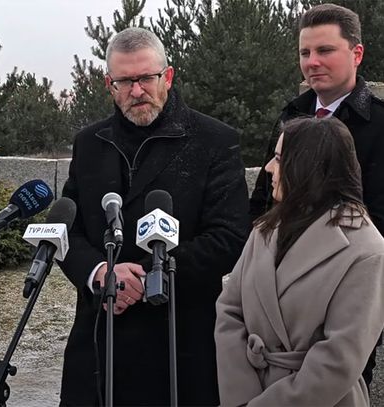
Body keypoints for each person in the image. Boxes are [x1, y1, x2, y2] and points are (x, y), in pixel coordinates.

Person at [59, 27, 250, 406]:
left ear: (168, 76)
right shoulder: (89, 143)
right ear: (108, 84)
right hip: (100, 337)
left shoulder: (213, 141)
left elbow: (229, 237)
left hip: (179, 340)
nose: (137, 91)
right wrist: (100, 272)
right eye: (125, 81)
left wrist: (147, 278)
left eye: (146, 78)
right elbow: (69, 229)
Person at [249, 3, 384, 385]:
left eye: (324, 51)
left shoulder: (379, 127)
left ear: (356, 53)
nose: (312, 62)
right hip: (276, 293)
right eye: (305, 52)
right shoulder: (290, 116)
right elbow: (263, 201)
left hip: (344, 292)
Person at [216, 116, 384, 406]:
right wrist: (241, 396)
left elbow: (339, 359)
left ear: (308, 167)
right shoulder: (265, 229)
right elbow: (230, 310)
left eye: (279, 159)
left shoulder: (366, 249)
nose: (269, 168)